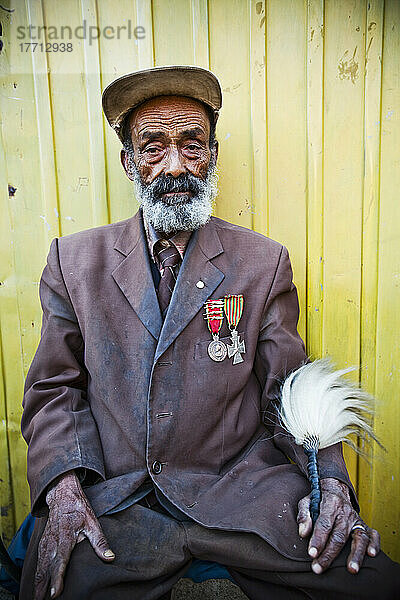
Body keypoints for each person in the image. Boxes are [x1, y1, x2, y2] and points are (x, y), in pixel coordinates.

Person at [19, 66, 400, 600]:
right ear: (129, 162)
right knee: (53, 585)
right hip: (122, 501)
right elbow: (52, 390)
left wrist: (331, 482)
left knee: (376, 584)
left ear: (213, 155)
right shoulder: (74, 262)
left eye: (191, 144)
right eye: (153, 147)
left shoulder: (263, 263)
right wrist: (63, 489)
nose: (176, 165)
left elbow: (291, 390)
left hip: (240, 493)